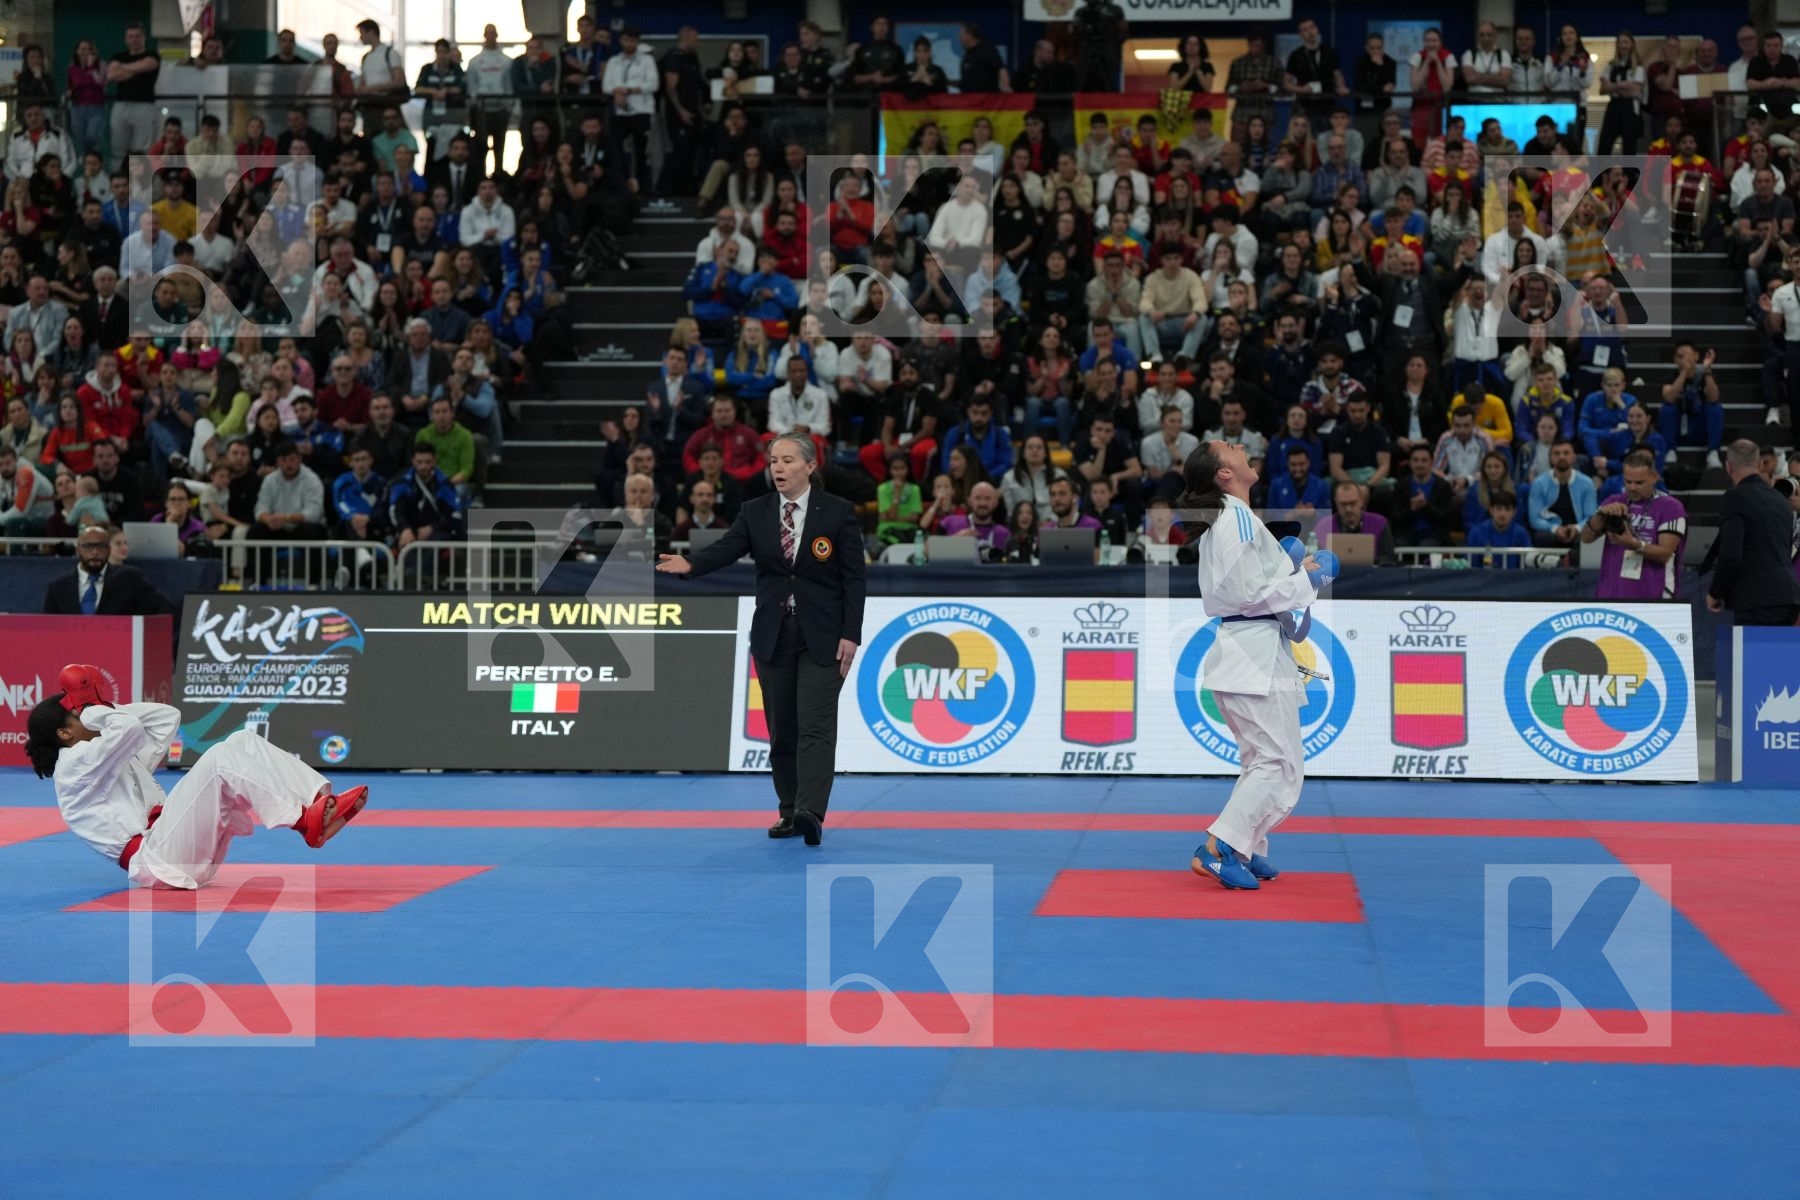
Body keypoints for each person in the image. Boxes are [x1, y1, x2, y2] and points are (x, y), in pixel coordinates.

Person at [656, 435, 865, 846]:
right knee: (782, 730)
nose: (778, 468)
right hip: (774, 634)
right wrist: (691, 564)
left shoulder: (838, 513)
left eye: (788, 460)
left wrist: (851, 635)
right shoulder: (756, 511)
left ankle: (810, 812)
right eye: (773, 461)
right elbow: (727, 548)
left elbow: (854, 580)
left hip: (822, 635)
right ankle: (788, 811)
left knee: (816, 727)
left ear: (810, 465)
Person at [24, 665, 368, 888]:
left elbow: (165, 718)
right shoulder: (75, 765)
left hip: (178, 850)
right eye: (77, 713)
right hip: (158, 859)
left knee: (241, 741)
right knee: (219, 759)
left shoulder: (107, 757)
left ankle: (316, 805)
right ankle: (303, 821)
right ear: (65, 734)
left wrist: (101, 705)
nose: (87, 715)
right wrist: (94, 707)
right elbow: (128, 729)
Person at [1178, 441, 1334, 891]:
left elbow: (1255, 594)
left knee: (1263, 762)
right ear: (1224, 473)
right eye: (1231, 447)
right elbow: (1249, 596)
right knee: (1276, 763)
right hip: (1253, 654)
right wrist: (1307, 579)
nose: (1242, 446)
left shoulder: (1231, 518)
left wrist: (1294, 573)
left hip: (1252, 647)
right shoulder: (1234, 517)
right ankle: (1217, 848)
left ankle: (1248, 845)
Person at [1708, 439, 1800, 625]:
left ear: (1728, 467)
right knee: (1782, 655)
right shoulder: (1780, 499)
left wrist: (1715, 592)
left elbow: (1731, 555)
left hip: (1756, 601)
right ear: (1759, 464)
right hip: (1789, 598)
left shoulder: (1735, 497)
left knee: (1752, 655)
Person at [1582, 449, 1687, 600]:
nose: (1632, 487)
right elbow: (1586, 538)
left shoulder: (1670, 507)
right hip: (1612, 592)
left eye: (1639, 482)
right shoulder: (1613, 501)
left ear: (1654, 477)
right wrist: (1600, 515)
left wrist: (1633, 544)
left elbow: (1665, 554)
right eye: (1628, 481)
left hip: (1654, 595)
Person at [41, 522, 172, 614]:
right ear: (78, 550)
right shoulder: (58, 587)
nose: (95, 552)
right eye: (88, 546)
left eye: (101, 546)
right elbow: (48, 630)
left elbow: (164, 609)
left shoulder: (129, 578)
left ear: (109, 550)